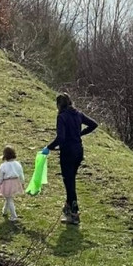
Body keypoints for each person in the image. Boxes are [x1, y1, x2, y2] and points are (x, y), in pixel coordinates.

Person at [44, 92, 97, 226]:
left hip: (67, 152)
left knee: (69, 183)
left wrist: (48, 147)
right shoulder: (78, 114)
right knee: (71, 179)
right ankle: (68, 208)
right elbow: (93, 124)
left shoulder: (62, 117)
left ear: (58, 105)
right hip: (79, 151)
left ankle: (74, 213)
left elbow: (61, 138)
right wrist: (80, 133)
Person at [0, 145, 25, 223]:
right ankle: (4, 211)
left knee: (9, 199)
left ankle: (14, 216)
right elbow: (21, 174)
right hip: (16, 182)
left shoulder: (3, 166)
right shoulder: (17, 164)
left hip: (7, 184)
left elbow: (0, 177)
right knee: (9, 198)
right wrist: (22, 183)